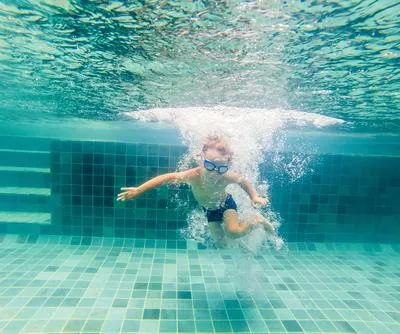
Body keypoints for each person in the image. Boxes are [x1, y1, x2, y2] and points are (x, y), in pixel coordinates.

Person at [117, 135, 275, 247]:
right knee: (222, 244)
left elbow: (243, 181)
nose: (215, 172)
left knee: (233, 232)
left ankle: (256, 219)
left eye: (221, 167)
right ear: (200, 158)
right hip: (209, 210)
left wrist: (254, 196)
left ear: (228, 163)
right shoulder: (193, 175)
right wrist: (139, 190)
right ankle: (243, 243)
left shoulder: (226, 176)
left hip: (225, 204)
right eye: (210, 166)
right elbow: (165, 178)